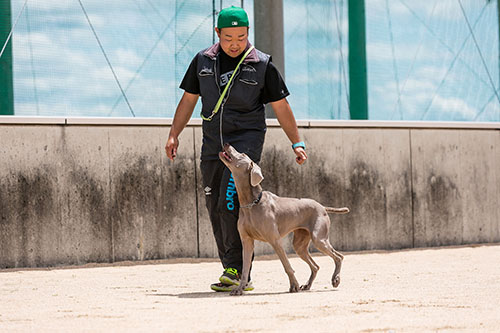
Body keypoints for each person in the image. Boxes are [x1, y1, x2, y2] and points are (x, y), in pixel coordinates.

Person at [165, 6, 307, 292]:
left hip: (245, 144)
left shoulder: (262, 64)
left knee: (229, 201)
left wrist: (297, 141)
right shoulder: (202, 61)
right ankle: (231, 267)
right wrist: (173, 135)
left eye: (241, 37)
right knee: (213, 205)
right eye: (229, 37)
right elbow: (189, 100)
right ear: (217, 33)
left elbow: (281, 106)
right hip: (212, 145)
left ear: (248, 34)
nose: (235, 43)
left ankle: (238, 270)